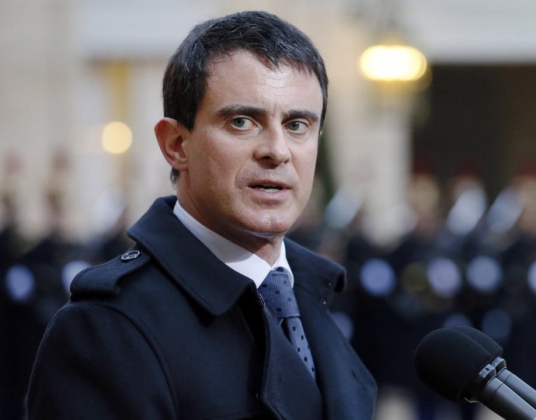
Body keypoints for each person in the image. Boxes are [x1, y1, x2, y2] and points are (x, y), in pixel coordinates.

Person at [26, 11, 377, 419]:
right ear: (176, 144)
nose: (278, 151)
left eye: (297, 125)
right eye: (243, 122)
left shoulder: (309, 293)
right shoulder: (105, 328)